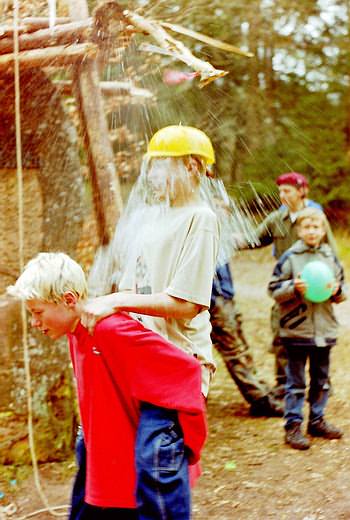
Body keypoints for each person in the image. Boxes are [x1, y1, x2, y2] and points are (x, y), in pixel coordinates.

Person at [79, 125, 221, 518]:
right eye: (152, 167)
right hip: (139, 359)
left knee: (157, 459)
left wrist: (116, 300)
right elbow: (133, 288)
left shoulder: (200, 217)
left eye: (163, 166)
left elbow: (186, 303)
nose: (154, 176)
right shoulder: (153, 218)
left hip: (177, 362)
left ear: (193, 167)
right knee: (111, 453)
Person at [7, 252, 207, 519]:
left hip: (138, 470)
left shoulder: (109, 330)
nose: (34, 322)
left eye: (38, 312)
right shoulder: (74, 334)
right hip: (106, 466)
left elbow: (186, 370)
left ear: (68, 300)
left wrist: (186, 442)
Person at [239, 172, 337, 400]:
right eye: (280, 191)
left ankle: (322, 383)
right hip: (287, 285)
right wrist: (227, 239)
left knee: (316, 334)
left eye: (287, 191)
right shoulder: (277, 219)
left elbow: (330, 252)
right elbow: (254, 239)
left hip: (315, 286)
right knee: (281, 332)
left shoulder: (314, 218)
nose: (282, 195)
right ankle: (284, 383)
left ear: (302, 191)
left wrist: (332, 284)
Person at [268, 208, 345, 450]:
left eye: (316, 227)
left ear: (323, 231)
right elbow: (273, 289)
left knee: (321, 380)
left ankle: (317, 420)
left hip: (325, 330)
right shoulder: (290, 257)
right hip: (296, 331)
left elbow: (341, 289)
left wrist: (337, 291)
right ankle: (292, 426)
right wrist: (293, 287)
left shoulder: (330, 257)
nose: (312, 231)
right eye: (307, 227)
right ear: (299, 231)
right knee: (296, 382)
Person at [210, 262, 283, 416]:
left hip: (224, 296)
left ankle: (260, 390)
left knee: (240, 347)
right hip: (212, 300)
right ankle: (259, 398)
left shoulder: (217, 238)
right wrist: (215, 299)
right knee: (234, 350)